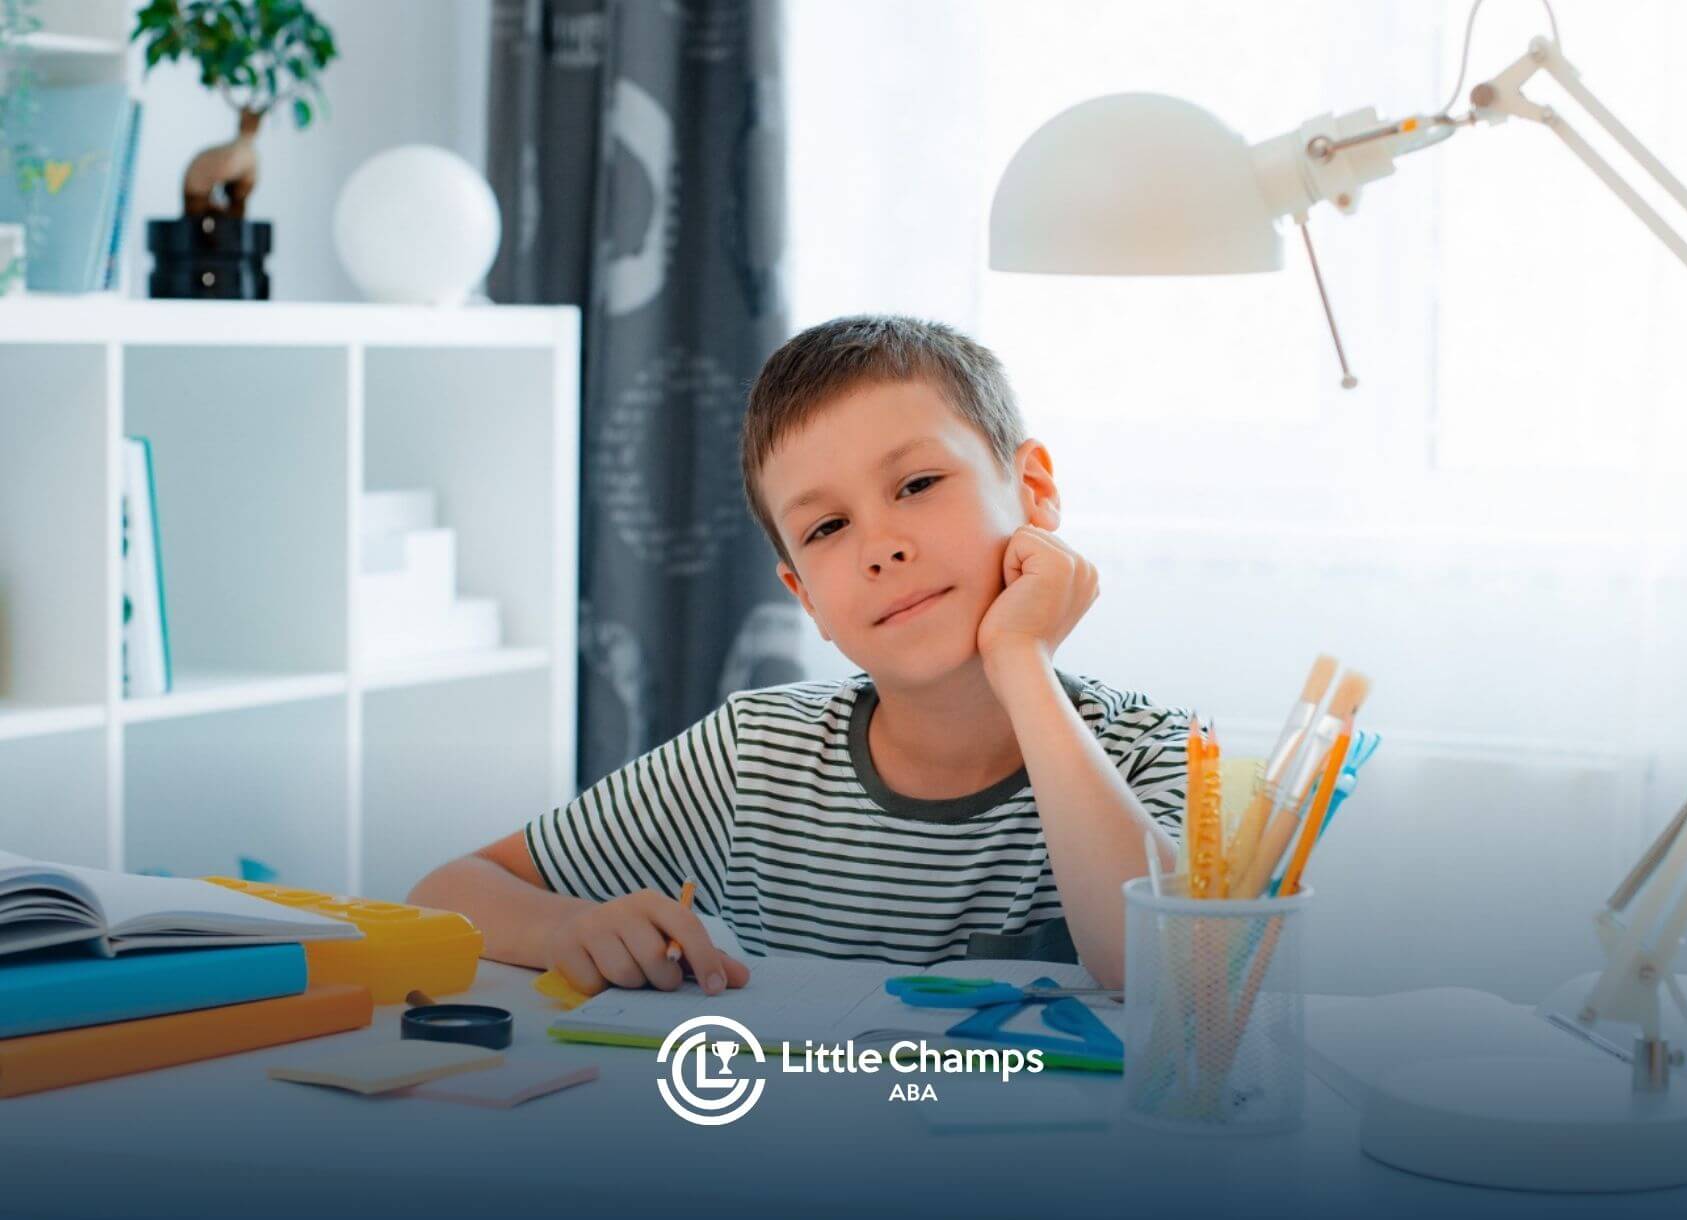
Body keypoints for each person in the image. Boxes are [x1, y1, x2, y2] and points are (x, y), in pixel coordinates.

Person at [409, 315, 1187, 993]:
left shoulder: (1161, 754)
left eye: (917, 483)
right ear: (805, 595)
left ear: (1033, 487)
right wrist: (564, 933)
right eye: (826, 529)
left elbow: (1170, 976)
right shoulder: (756, 755)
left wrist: (1020, 659)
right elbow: (447, 890)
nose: (880, 547)